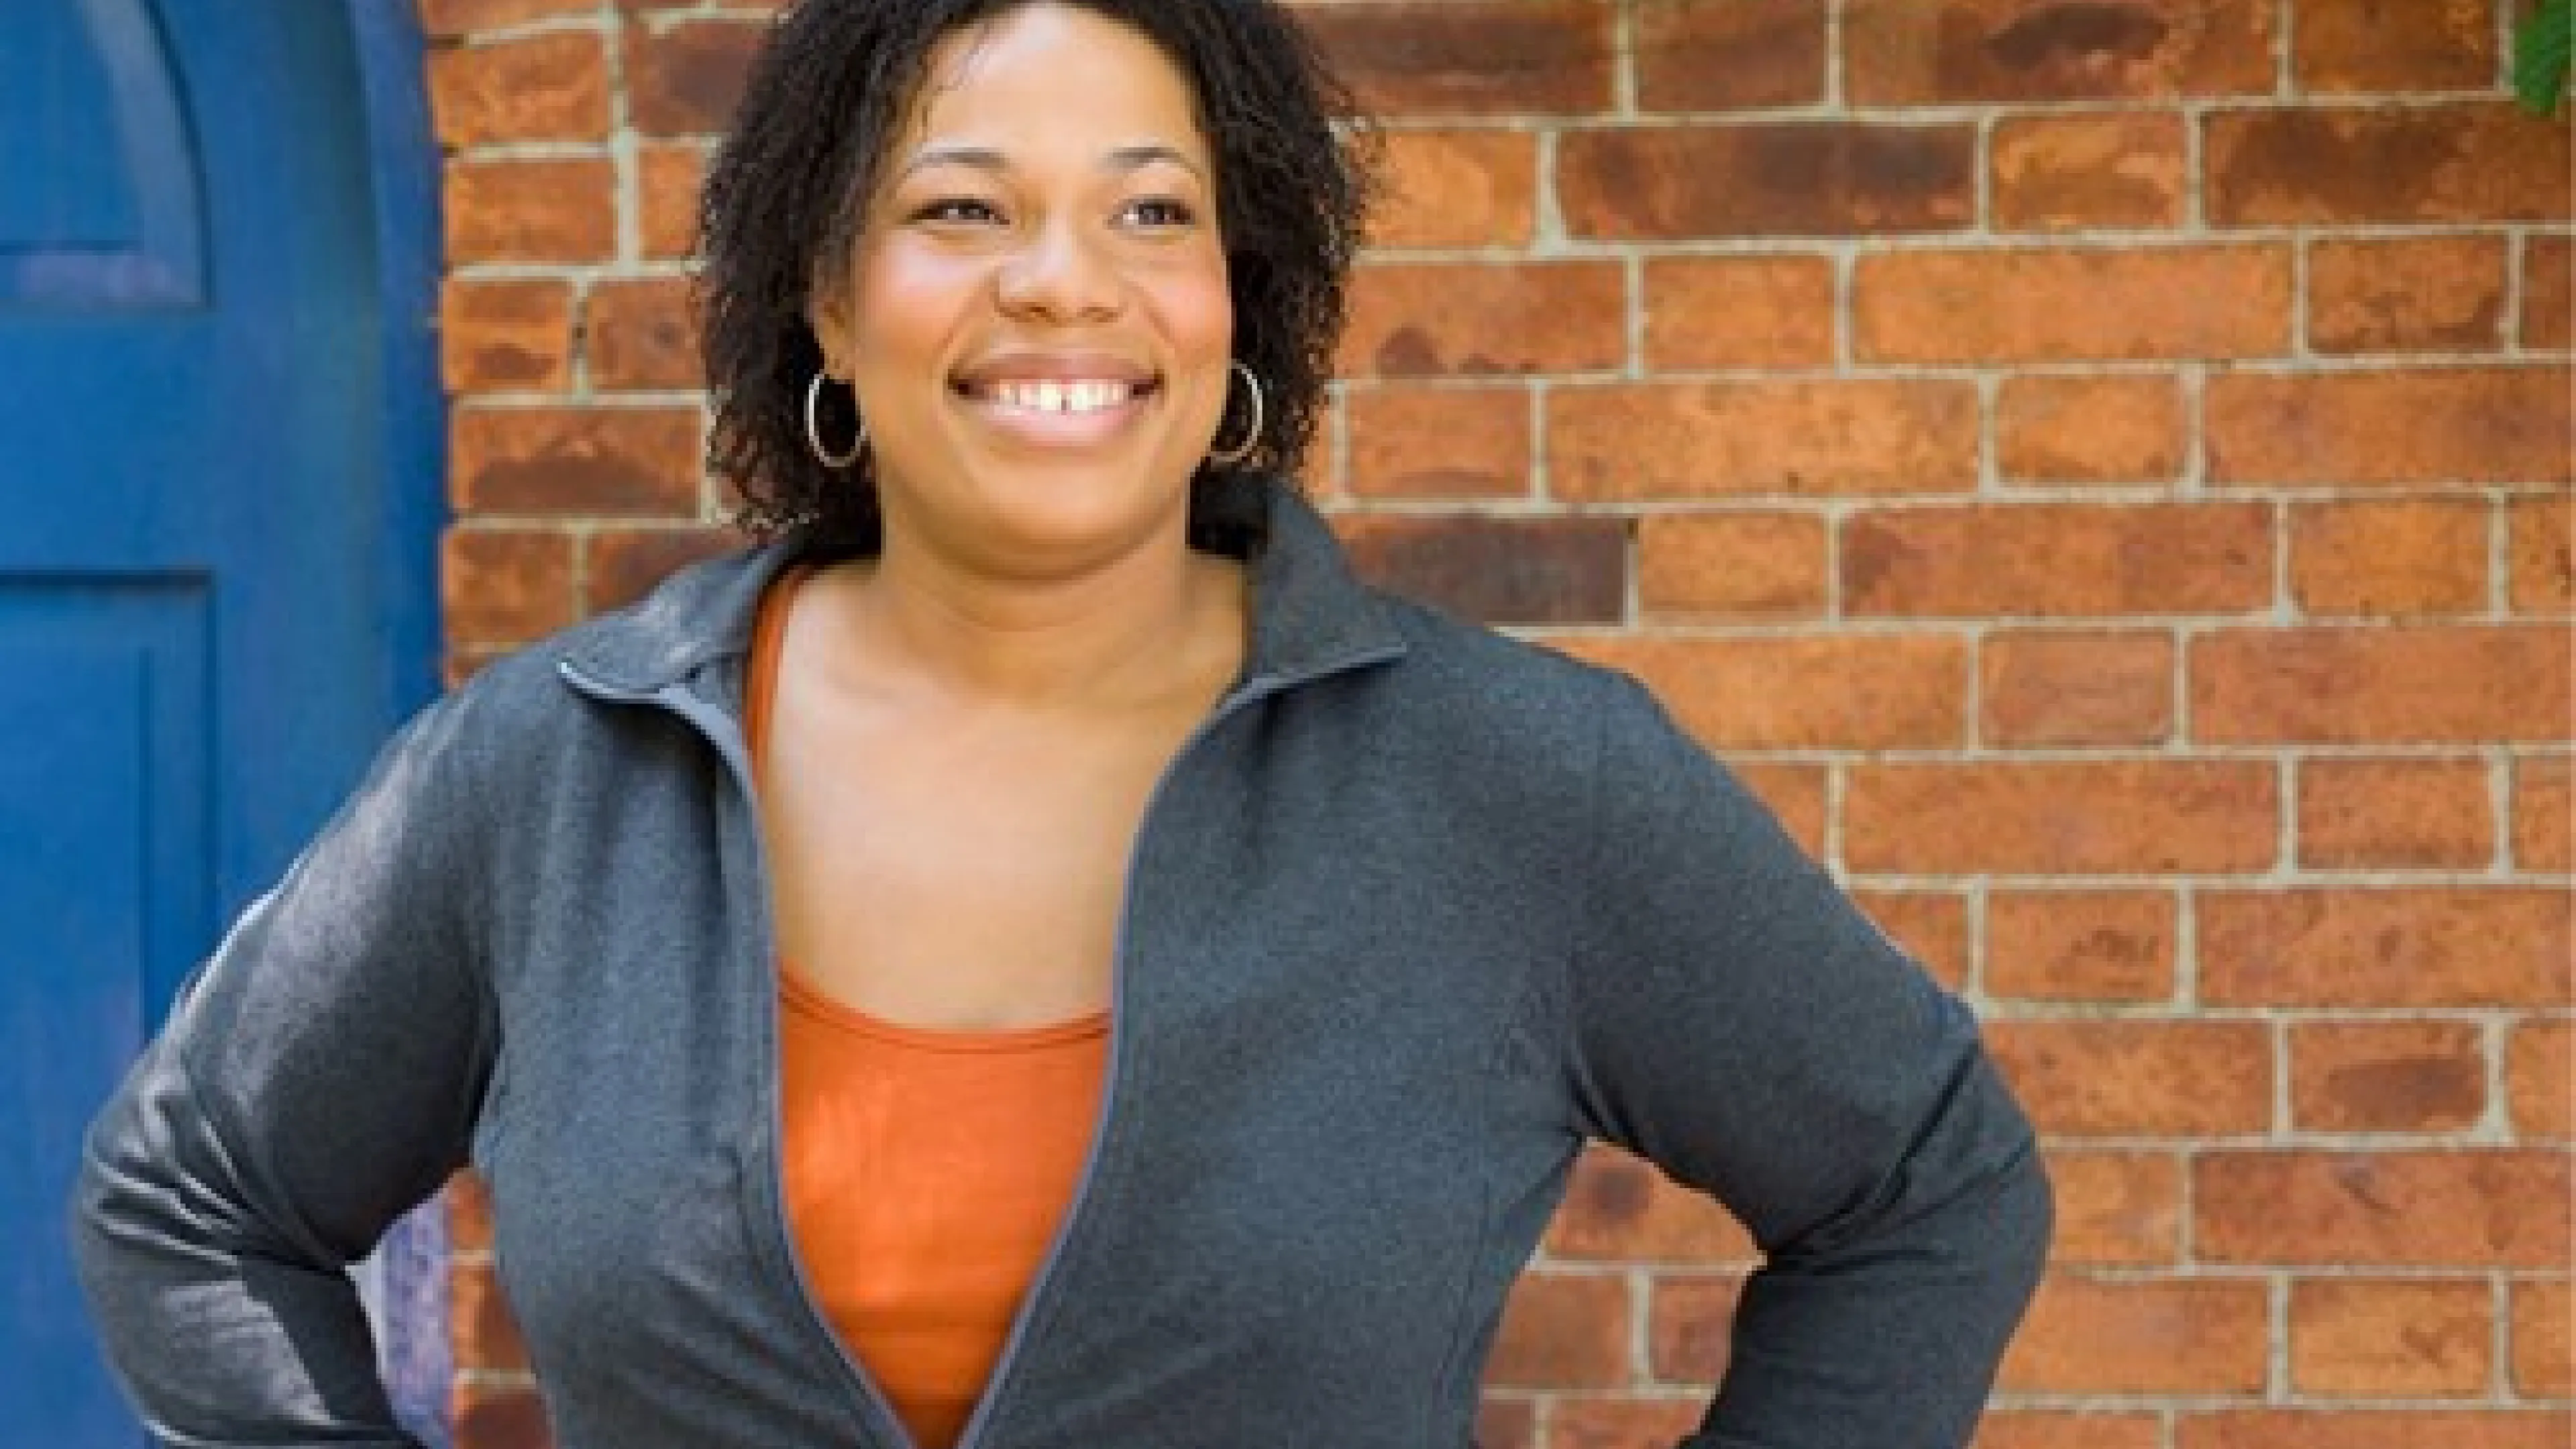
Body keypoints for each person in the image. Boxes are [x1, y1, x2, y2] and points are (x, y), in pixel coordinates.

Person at [72, 0, 2051, 1445]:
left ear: (1236, 303)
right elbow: (190, 1204)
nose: (1064, 288)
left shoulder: (1518, 783)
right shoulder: (556, 773)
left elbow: (1928, 1184)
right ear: (826, 303)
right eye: (961, 208)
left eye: (1152, 215)